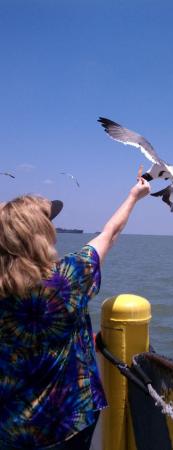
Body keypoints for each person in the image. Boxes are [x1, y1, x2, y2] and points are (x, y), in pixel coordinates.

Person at [0, 174, 150, 449]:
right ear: (41, 235)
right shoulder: (68, 279)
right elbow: (110, 234)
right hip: (66, 424)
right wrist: (133, 197)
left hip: (10, 428)